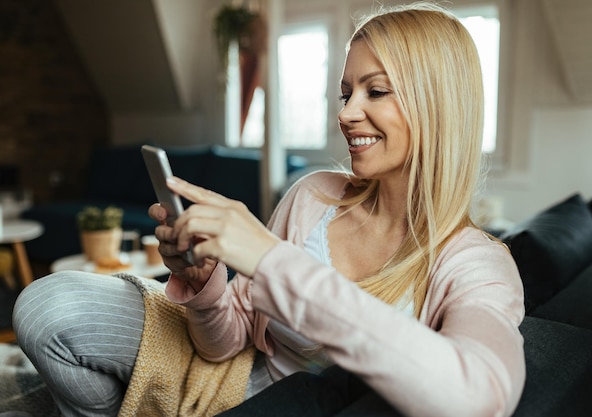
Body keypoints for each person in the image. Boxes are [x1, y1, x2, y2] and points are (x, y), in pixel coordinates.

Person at [12, 2, 526, 416]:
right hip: (226, 382)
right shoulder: (315, 197)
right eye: (346, 92)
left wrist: (271, 259)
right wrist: (206, 282)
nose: (347, 114)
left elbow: (479, 400)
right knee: (44, 307)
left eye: (376, 91)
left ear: (437, 105)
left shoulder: (476, 265)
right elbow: (226, 343)